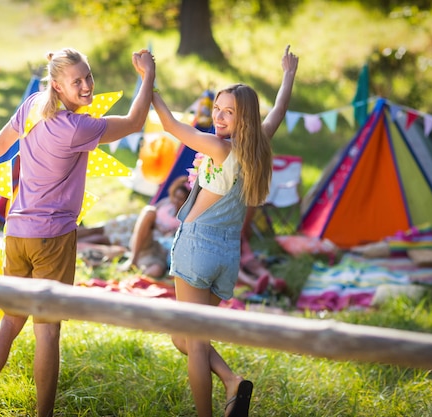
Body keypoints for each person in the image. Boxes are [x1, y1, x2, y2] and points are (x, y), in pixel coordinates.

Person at [0, 47, 156, 417]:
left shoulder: (32, 106)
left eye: (89, 76)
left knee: (11, 320)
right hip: (53, 239)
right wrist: (148, 76)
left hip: (16, 234)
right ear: (58, 86)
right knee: (47, 332)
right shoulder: (78, 128)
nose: (87, 86)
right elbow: (136, 121)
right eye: (77, 81)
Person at [149, 45, 298, 417]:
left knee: (195, 343)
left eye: (228, 111)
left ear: (243, 118)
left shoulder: (219, 148)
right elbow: (278, 110)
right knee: (183, 336)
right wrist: (288, 75)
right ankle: (231, 380)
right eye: (217, 108)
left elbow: (170, 126)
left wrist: (148, 82)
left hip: (197, 248)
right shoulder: (258, 147)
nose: (218, 116)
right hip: (226, 256)